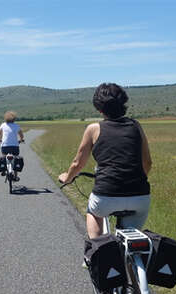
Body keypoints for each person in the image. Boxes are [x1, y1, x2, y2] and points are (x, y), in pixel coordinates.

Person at [58, 83, 152, 239]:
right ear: (123, 104)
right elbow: (147, 163)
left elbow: (77, 164)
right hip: (140, 196)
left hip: (106, 196)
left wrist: (67, 178)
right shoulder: (136, 125)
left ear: (99, 109)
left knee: (93, 212)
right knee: (130, 240)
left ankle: (95, 254)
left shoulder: (93, 129)